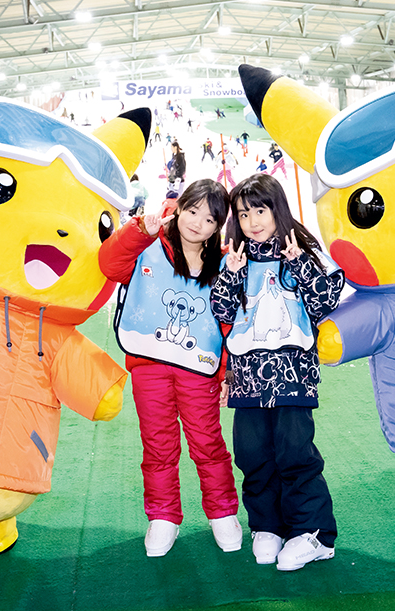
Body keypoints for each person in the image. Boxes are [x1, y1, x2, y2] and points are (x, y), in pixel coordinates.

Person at [98, 180, 241, 558]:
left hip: (198, 367)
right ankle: (163, 515)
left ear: (218, 226)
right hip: (150, 364)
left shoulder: (224, 262)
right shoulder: (148, 245)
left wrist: (226, 373)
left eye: (209, 219)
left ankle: (223, 511)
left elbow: (227, 322)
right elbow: (109, 265)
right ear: (179, 209)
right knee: (158, 443)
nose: (197, 223)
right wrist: (138, 231)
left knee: (207, 442)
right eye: (192, 211)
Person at [210, 173, 345, 572]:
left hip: (292, 375)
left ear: (276, 210)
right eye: (243, 214)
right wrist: (232, 273)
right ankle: (267, 526)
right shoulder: (234, 256)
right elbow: (221, 311)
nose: (252, 221)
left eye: (259, 211)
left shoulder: (302, 247)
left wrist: (299, 264)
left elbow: (325, 301)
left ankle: (314, 534)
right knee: (253, 454)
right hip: (248, 378)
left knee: (295, 452)